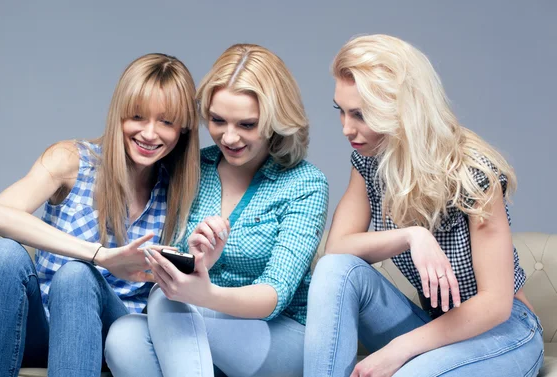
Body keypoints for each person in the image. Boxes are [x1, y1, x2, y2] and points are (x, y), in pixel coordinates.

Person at [304, 34, 544, 377]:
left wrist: (398, 349)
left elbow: (495, 304)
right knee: (334, 270)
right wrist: (413, 235)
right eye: (341, 111)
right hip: (437, 330)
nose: (346, 128)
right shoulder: (371, 162)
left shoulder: (473, 173)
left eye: (360, 114)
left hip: (504, 332)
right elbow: (338, 249)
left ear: (403, 109)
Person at [0, 53, 200, 377]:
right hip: (42, 324)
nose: (149, 133)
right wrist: (101, 256)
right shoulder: (71, 160)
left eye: (166, 122)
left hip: (113, 331)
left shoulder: (182, 190)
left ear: (183, 130)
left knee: (76, 277)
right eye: (137, 116)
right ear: (119, 115)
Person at [105, 43, 329, 377]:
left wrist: (205, 294)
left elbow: (274, 295)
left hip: (279, 336)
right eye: (217, 120)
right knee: (123, 336)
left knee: (167, 302)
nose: (229, 137)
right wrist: (198, 261)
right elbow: (176, 268)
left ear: (275, 121)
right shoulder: (195, 167)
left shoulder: (305, 184)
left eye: (247, 125)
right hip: (196, 329)